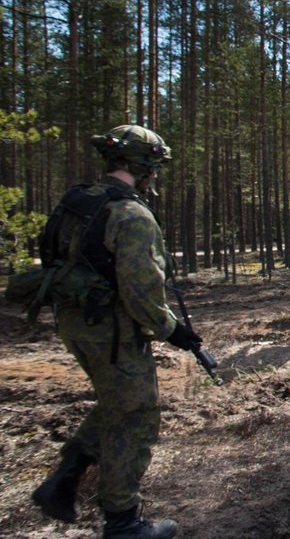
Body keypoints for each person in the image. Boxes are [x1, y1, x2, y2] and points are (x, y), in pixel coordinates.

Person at [32, 124, 200, 539]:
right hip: (113, 334)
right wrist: (173, 331)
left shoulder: (78, 202)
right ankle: (123, 521)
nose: (156, 175)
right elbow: (142, 290)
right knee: (137, 415)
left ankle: (63, 482)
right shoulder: (131, 214)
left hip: (75, 325)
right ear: (143, 166)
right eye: (155, 167)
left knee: (116, 401)